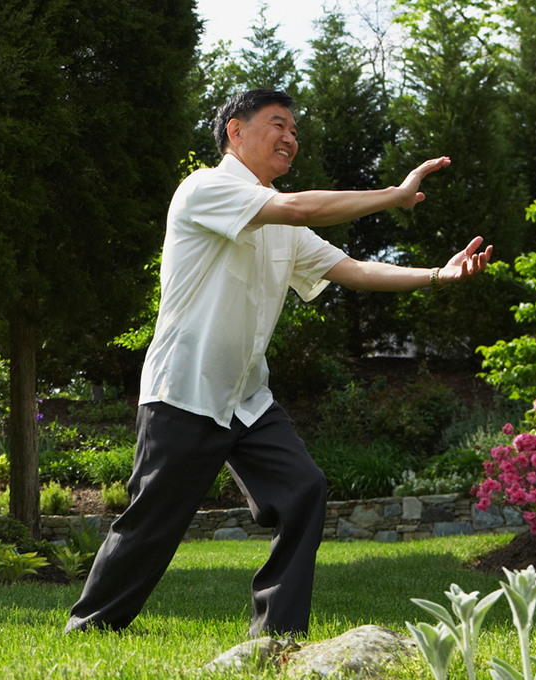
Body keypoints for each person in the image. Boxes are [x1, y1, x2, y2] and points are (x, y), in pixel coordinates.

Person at [65, 89, 491, 638]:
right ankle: (92, 625)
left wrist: (437, 275)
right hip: (185, 390)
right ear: (235, 133)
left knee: (303, 489)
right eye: (277, 124)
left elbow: (353, 269)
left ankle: (278, 633)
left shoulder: (284, 226)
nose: (290, 137)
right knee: (153, 520)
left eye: (295, 129)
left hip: (247, 399)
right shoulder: (206, 188)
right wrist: (394, 195)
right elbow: (297, 207)